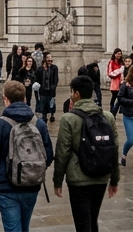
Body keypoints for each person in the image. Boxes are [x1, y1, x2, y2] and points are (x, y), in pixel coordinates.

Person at [0, 80, 55, 232]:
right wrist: (34, 168)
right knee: (25, 226)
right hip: (32, 185)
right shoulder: (39, 123)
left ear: (5, 99)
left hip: (7, 187)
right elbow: (48, 154)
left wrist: (1, 173)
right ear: (24, 98)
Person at [52, 76, 120, 232]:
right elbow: (114, 149)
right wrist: (114, 179)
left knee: (83, 224)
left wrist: (57, 181)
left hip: (78, 179)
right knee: (92, 220)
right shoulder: (108, 116)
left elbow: (62, 152)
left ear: (76, 94)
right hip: (101, 176)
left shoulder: (69, 118)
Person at [35, 52, 59, 125]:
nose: (50, 59)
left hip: (51, 89)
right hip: (43, 89)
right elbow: (37, 78)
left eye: (51, 58)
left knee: (51, 103)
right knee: (43, 103)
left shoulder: (54, 68)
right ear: (45, 59)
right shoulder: (40, 69)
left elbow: (56, 78)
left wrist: (54, 85)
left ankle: (52, 115)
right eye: (48, 58)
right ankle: (44, 116)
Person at [106, 48, 125, 114]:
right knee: (114, 97)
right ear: (114, 54)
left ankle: (115, 111)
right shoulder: (112, 62)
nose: (119, 55)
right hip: (114, 83)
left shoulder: (121, 62)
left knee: (119, 98)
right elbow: (110, 73)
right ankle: (112, 110)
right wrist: (119, 71)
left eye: (120, 54)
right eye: (117, 54)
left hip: (121, 82)